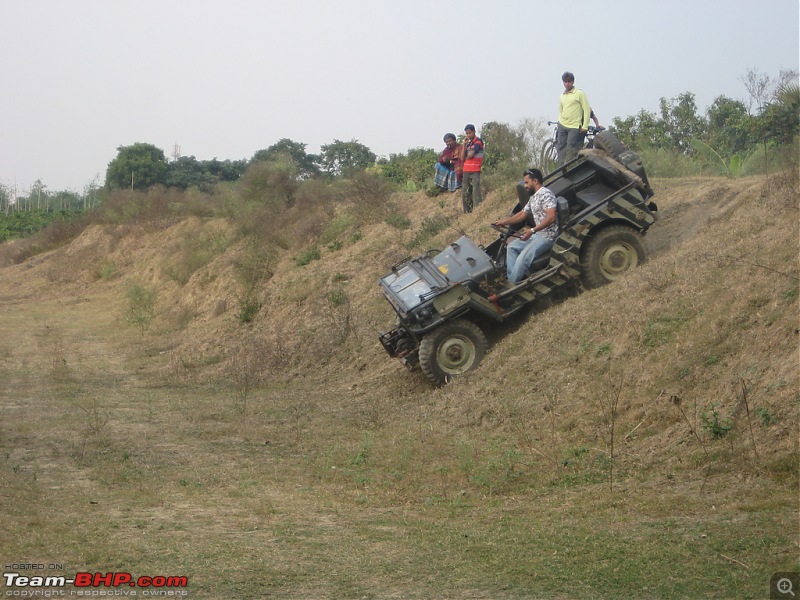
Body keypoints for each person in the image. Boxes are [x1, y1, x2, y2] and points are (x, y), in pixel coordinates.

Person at [492, 168, 558, 283]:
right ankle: (514, 280)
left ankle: (511, 286)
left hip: (548, 236)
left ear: (535, 181)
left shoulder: (546, 194)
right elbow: (522, 214)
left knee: (523, 258)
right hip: (537, 234)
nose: (525, 185)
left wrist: (532, 230)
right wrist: (504, 222)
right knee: (512, 248)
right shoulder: (533, 197)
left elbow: (551, 217)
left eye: (527, 182)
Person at [556, 71, 593, 165]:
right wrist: (559, 120)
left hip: (574, 126)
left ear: (573, 82)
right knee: (560, 147)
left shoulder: (579, 93)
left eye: (569, 82)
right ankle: (560, 169)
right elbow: (561, 110)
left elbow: (586, 109)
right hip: (562, 124)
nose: (567, 84)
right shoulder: (562, 96)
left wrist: (585, 126)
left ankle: (568, 167)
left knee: (571, 148)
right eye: (565, 82)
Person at [461, 124, 484, 213]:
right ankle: (467, 211)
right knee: (465, 191)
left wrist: (467, 156)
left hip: (475, 169)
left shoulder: (478, 141)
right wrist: (464, 145)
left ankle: (477, 210)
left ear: (474, 131)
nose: (468, 135)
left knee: (475, 190)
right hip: (466, 170)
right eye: (466, 133)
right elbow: (462, 158)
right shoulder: (468, 144)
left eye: (469, 133)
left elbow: (471, 155)